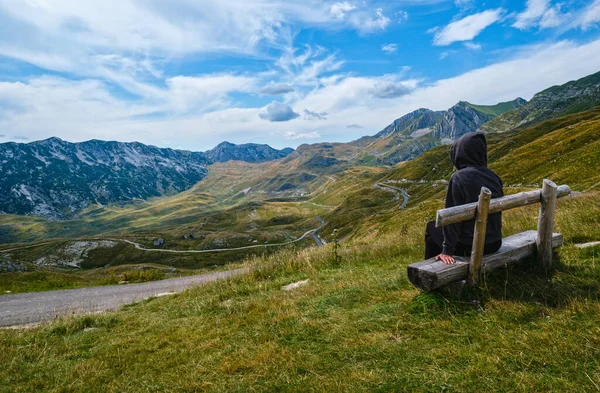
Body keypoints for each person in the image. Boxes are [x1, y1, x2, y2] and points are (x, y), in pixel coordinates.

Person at [425, 132, 503, 264]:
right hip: (495, 242)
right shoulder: (494, 177)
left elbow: (452, 218)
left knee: (431, 227)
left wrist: (447, 250)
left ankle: (429, 273)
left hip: (470, 246)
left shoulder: (458, 178)